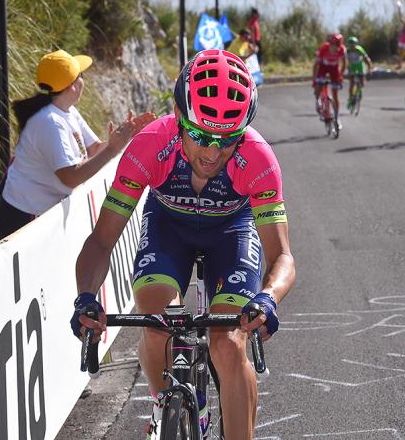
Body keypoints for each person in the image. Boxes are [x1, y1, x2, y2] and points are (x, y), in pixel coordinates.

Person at [71, 49, 296, 439]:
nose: (211, 153)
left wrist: (268, 297)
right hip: (168, 228)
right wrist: (86, 297)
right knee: (157, 324)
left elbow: (281, 256)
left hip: (232, 233)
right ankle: (166, 411)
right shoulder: (148, 146)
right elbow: (101, 240)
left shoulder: (258, 158)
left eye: (227, 140)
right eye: (199, 135)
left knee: (228, 341)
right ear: (178, 116)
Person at [0, 49, 155, 240]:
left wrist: (123, 137)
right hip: (22, 216)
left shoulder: (66, 111)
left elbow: (94, 149)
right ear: (72, 86)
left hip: (33, 213)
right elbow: (70, 177)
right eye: (81, 75)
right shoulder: (50, 121)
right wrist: (112, 149)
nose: (83, 80)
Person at [313, 33, 347, 129]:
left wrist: (341, 76)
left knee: (335, 94)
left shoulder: (342, 50)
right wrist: (315, 80)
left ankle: (336, 118)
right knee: (319, 85)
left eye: (336, 46)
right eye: (332, 45)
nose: (333, 48)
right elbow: (316, 65)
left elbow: (344, 64)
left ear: (339, 46)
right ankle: (317, 101)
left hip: (334, 69)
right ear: (329, 44)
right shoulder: (323, 49)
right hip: (323, 68)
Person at [345, 36, 373, 110]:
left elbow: (367, 59)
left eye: (354, 44)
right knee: (351, 83)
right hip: (352, 67)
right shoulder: (347, 51)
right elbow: (344, 61)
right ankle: (350, 99)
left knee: (362, 83)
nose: (352, 46)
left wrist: (370, 68)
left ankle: (359, 90)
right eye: (351, 44)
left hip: (360, 66)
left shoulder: (359, 49)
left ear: (356, 44)